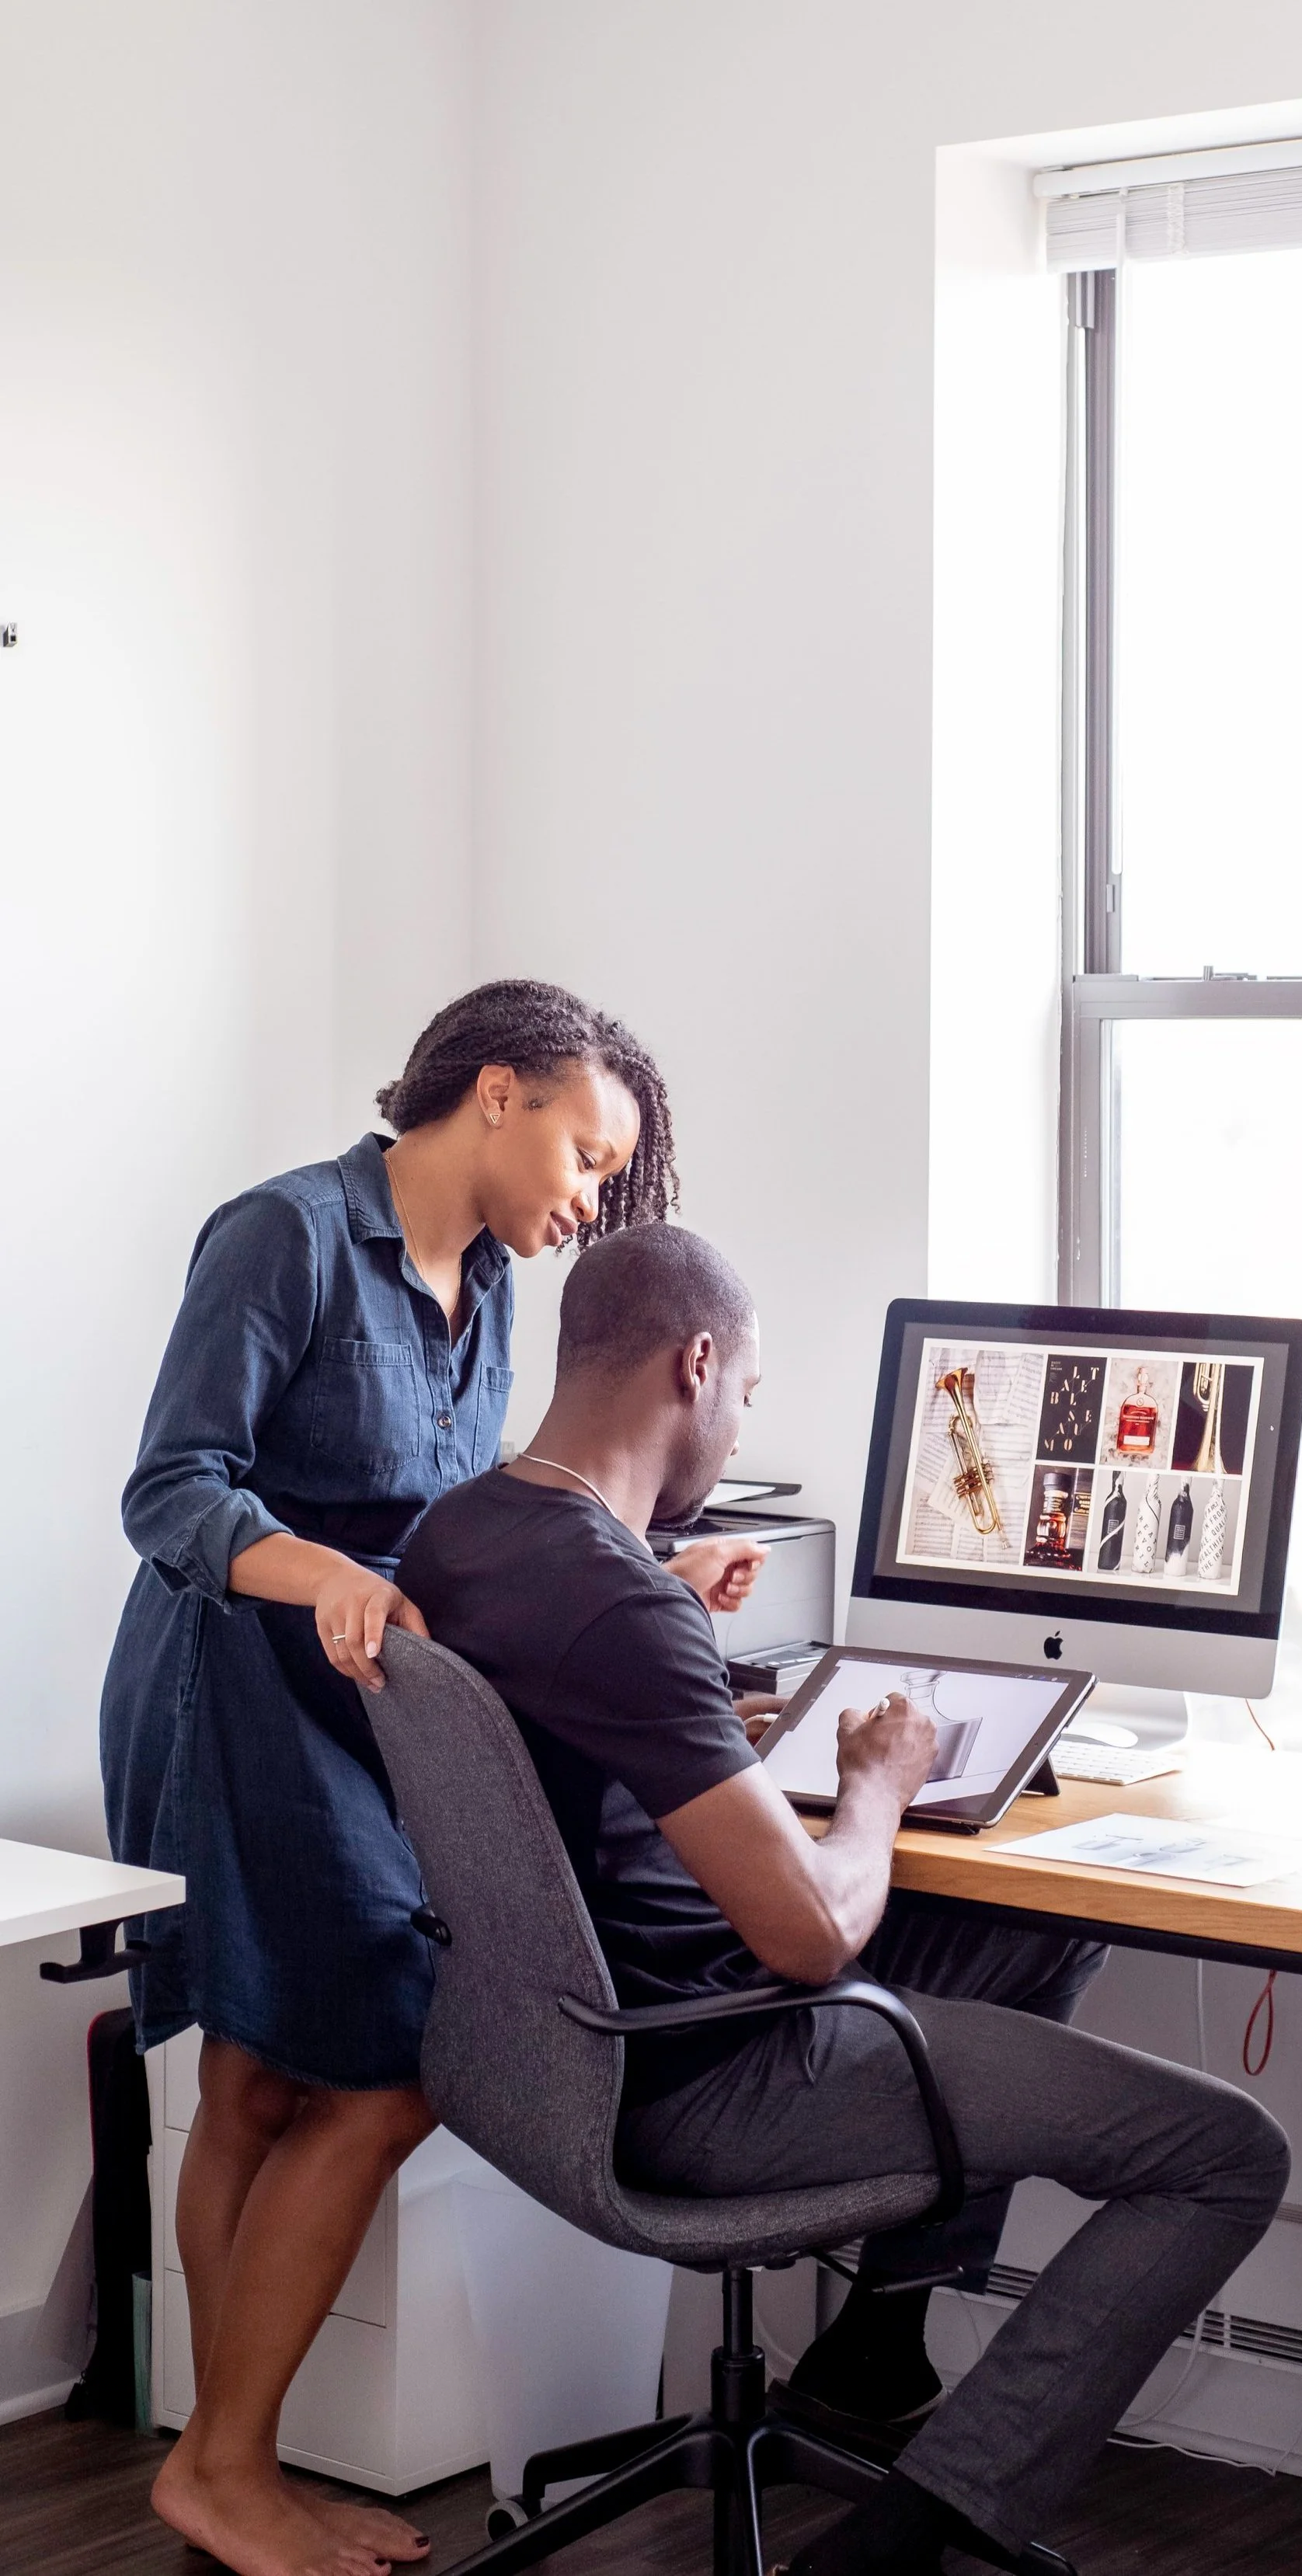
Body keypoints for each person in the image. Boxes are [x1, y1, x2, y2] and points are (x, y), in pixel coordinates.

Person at [399, 1225, 1292, 2576]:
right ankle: (896, 2545)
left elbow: (578, 1716)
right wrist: (875, 1782)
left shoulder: (463, 1535)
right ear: (697, 1364)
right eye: (748, 1393)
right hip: (716, 2078)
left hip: (554, 2054)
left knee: (1032, 1922)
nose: (737, 1424)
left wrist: (688, 1661)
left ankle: (876, 2352)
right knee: (1226, 2154)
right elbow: (811, 1935)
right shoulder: (619, 1605)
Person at [100, 982, 764, 2576]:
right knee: (336, 2072)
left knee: (287, 2079)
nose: (593, 1199)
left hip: (366, 1700)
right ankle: (228, 2467)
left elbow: (459, 1534)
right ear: (496, 1093)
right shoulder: (286, 1235)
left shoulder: (494, 1288)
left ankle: (221, 2458)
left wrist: (651, 1573)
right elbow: (171, 1489)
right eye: (588, 1155)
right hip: (231, 1688)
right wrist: (319, 1566)